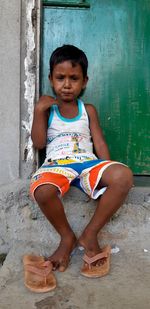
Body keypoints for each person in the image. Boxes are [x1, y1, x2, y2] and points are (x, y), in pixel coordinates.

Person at [30, 44, 133, 278]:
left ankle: (90, 233)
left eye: (74, 78)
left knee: (123, 176)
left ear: (84, 81)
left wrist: (106, 170)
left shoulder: (88, 110)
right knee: (42, 190)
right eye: (60, 78)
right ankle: (67, 237)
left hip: (87, 165)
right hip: (57, 166)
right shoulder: (48, 109)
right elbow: (38, 143)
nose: (67, 84)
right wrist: (38, 111)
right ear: (50, 79)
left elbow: (100, 142)